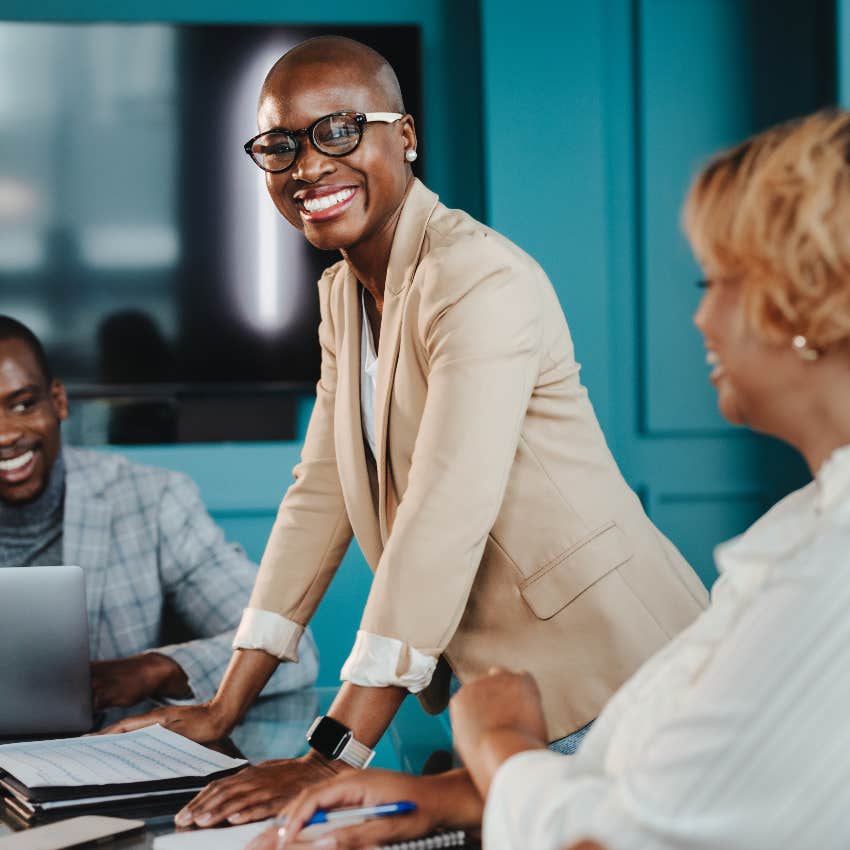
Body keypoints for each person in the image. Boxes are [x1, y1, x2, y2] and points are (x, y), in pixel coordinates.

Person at [109, 35, 707, 827]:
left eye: (340, 130)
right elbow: (317, 495)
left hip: (623, 680)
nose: (308, 167)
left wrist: (331, 755)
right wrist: (223, 706)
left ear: (407, 136)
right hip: (501, 694)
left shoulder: (476, 277)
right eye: (281, 146)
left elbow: (444, 514)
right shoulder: (342, 297)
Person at [272, 109, 850, 850]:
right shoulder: (798, 529)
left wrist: (498, 741)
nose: (701, 318)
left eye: (722, 281)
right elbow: (666, 783)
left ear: (813, 299)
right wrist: (450, 795)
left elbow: (619, 838)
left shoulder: (826, 571)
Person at [0, 315, 318, 712]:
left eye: (24, 404)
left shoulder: (151, 499)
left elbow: (291, 648)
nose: (6, 434)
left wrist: (154, 670)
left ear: (59, 401)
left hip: (105, 764)